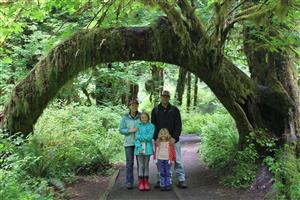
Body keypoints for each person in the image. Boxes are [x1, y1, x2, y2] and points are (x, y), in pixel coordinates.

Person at [151, 90, 187, 189]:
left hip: (173, 140)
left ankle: (181, 179)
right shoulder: (155, 110)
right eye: (163, 96)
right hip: (160, 141)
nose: (165, 98)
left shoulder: (174, 110)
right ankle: (160, 180)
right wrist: (156, 138)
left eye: (167, 96)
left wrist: (174, 138)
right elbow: (153, 126)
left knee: (177, 159)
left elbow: (178, 125)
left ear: (169, 98)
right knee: (160, 161)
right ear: (161, 97)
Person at [119, 99, 141, 189]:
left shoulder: (141, 116)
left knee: (140, 163)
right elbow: (121, 130)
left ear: (137, 106)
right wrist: (129, 130)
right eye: (132, 105)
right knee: (129, 163)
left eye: (135, 105)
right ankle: (129, 182)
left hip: (139, 143)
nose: (134, 106)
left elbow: (146, 125)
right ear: (129, 106)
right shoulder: (125, 117)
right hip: (128, 143)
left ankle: (141, 181)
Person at [134, 112, 155, 191]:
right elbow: (136, 136)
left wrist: (141, 137)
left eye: (145, 117)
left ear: (148, 118)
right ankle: (141, 182)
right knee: (141, 165)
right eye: (142, 117)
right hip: (139, 147)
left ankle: (146, 182)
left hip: (148, 148)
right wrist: (142, 137)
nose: (144, 119)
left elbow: (150, 137)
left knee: (146, 165)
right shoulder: (138, 126)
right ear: (140, 119)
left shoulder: (152, 126)